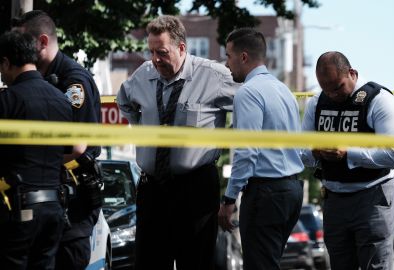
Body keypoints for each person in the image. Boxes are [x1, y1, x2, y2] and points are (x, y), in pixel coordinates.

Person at [116, 15, 238, 270]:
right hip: (152, 190)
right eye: (150, 52)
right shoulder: (144, 74)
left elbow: (248, 106)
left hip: (195, 189)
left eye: (161, 52)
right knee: (149, 262)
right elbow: (123, 100)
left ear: (181, 48)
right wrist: (140, 131)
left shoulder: (214, 76)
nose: (155, 59)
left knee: (195, 263)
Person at [11, 10, 103, 270]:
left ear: (41, 42)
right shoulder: (39, 80)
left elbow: (77, 147)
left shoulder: (73, 82)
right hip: (51, 199)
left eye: (24, 42)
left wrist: (29, 163)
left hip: (73, 205)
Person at [302, 51, 394, 270]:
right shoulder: (316, 103)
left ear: (352, 73)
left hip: (373, 195)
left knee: (375, 265)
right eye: (325, 88)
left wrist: (348, 153)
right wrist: (317, 152)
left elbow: (393, 154)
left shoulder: (379, 99)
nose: (332, 95)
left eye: (338, 87)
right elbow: (302, 154)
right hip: (334, 198)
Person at [218, 28, 305, 270]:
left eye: (228, 56)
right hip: (291, 191)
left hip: (266, 193)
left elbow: (246, 151)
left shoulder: (248, 93)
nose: (227, 64)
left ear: (243, 57)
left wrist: (229, 198)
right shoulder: (283, 90)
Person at [0, 31, 72, 270]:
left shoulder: (8, 100)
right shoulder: (62, 100)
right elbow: (67, 150)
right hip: (54, 208)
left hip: (17, 210)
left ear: (6, 62)